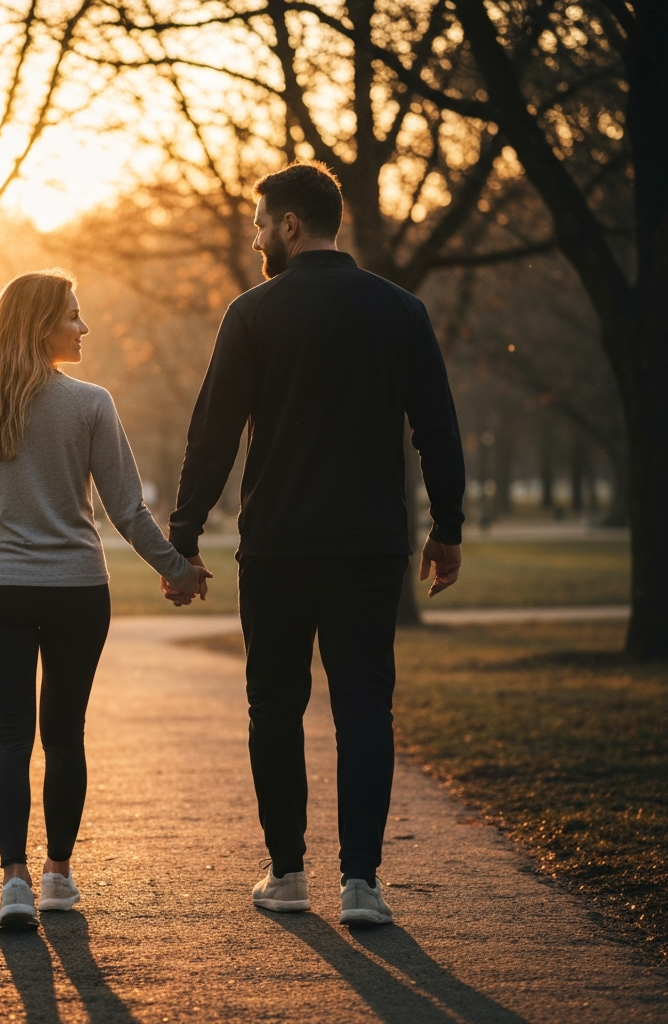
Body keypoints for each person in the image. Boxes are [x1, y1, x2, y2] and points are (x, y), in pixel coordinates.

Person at [163, 163, 465, 925]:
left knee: (275, 705)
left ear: (291, 225)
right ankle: (361, 883)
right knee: (366, 703)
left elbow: (214, 433)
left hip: (280, 546)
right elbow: (438, 429)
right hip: (370, 546)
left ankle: (288, 873)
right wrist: (447, 529)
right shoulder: (401, 311)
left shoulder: (253, 313)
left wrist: (184, 533)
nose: (258, 237)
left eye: (262, 223)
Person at [0, 269, 209, 931]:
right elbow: (127, 510)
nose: (83, 328)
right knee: (64, 735)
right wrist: (178, 569)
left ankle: (14, 883)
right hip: (76, 593)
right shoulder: (91, 404)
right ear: (40, 325)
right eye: (73, 317)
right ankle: (57, 874)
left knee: (8, 737)